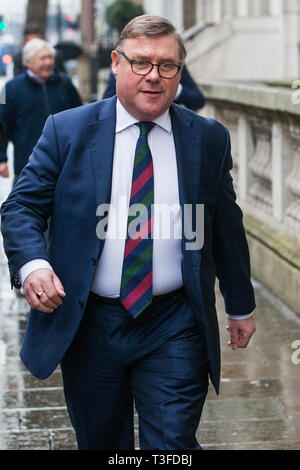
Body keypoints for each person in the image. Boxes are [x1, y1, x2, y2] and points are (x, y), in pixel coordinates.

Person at [1, 15, 256, 450]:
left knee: (173, 443)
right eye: (140, 63)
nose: (153, 76)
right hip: (91, 321)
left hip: (176, 321)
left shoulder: (208, 138)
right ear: (117, 63)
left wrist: (239, 304)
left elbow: (226, 227)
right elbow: (21, 206)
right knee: (102, 442)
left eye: (167, 65)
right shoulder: (69, 130)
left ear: (179, 71)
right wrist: (33, 265)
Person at [0, 38, 82, 184]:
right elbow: (2, 124)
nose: (48, 62)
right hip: (27, 167)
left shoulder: (65, 83)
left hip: (64, 164)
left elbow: (81, 118)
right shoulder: (11, 88)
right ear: (28, 62)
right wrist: (2, 159)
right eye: (42, 58)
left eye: (50, 57)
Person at [103, 63, 205, 111]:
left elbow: (198, 100)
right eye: (141, 63)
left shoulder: (175, 65)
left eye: (165, 66)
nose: (154, 76)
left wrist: (174, 88)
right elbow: (106, 104)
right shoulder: (122, 67)